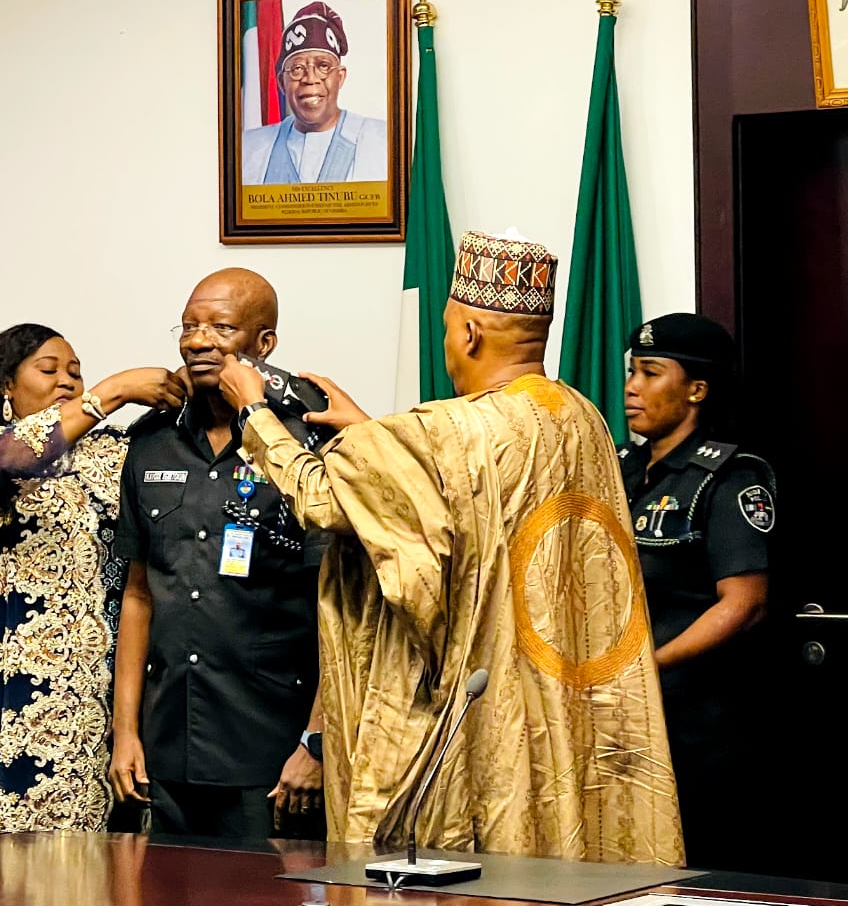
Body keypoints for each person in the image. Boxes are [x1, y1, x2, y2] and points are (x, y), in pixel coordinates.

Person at [218, 230, 685, 865]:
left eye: (447, 329)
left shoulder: (445, 430)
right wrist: (372, 433)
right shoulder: (580, 417)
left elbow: (326, 500)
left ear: (466, 334)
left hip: (479, 716)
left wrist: (254, 414)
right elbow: (464, 496)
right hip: (564, 701)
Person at [107, 268, 328, 840]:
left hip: (272, 749)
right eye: (189, 326)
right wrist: (125, 731)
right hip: (169, 744)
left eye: (220, 326)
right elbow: (138, 593)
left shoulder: (304, 439)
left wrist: (317, 741)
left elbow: (339, 607)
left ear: (264, 343)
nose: (198, 340)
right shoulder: (152, 439)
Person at [0, 324, 186, 831]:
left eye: (75, 373)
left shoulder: (110, 451)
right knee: (18, 872)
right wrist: (115, 389)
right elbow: (13, 458)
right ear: (5, 386)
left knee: (110, 871)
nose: (67, 381)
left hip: (113, 691)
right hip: (20, 693)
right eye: (49, 369)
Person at [619, 313, 775, 871]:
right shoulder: (619, 468)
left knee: (703, 875)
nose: (632, 386)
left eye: (651, 373)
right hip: (628, 716)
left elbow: (745, 603)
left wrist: (649, 665)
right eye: (631, 371)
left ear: (696, 390)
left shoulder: (730, 476)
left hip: (701, 721)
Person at [241, 1, 388, 185]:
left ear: (340, 77)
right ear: (281, 83)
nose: (310, 78)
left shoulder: (383, 141)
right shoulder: (248, 148)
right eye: (297, 68)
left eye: (323, 66)